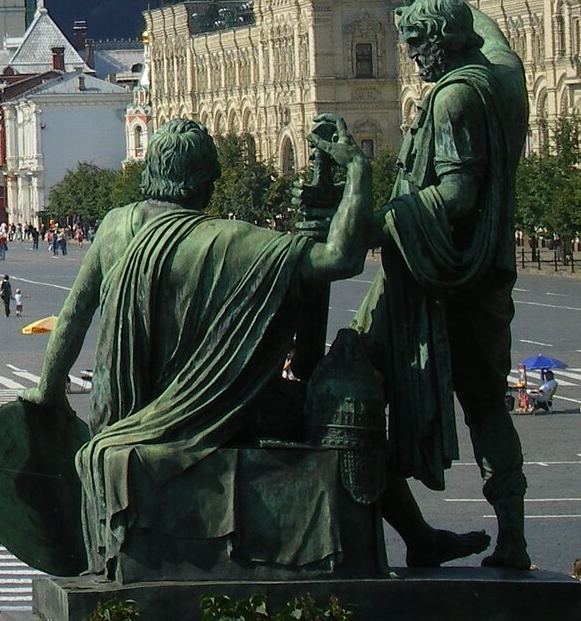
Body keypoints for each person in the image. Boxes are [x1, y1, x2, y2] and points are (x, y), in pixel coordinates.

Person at [23, 115, 376, 579]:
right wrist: (357, 173)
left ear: (151, 172)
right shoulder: (233, 240)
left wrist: (46, 395)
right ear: (205, 183)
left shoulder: (114, 227)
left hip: (127, 414)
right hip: (223, 414)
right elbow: (340, 258)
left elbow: (72, 318)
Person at [355, 0, 533, 570]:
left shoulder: (455, 97)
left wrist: (378, 221)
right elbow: (504, 48)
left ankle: (404, 534)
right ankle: (511, 538)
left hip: (438, 277)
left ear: (445, 40)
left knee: (348, 390)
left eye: (415, 41)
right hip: (478, 280)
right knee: (486, 405)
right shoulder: (494, 82)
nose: (409, 54)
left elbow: (457, 193)